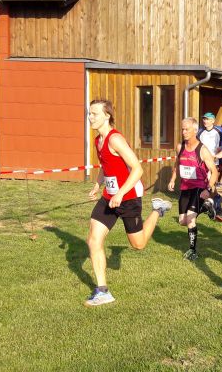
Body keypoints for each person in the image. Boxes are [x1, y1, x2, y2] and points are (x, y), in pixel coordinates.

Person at [84, 99, 172, 307]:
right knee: (93, 239)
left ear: (107, 115)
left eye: (94, 113)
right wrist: (98, 185)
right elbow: (106, 166)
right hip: (109, 197)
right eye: (89, 113)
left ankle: (158, 210)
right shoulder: (99, 140)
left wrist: (121, 194)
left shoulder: (116, 139)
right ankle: (103, 291)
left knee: (138, 244)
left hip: (129, 196)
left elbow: (137, 169)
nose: (90, 117)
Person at [168, 117, 219, 261]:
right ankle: (206, 206)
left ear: (195, 130)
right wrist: (172, 179)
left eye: (187, 129)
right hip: (185, 188)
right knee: (182, 221)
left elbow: (214, 171)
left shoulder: (202, 150)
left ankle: (192, 250)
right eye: (182, 129)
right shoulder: (180, 147)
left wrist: (208, 189)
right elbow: (177, 164)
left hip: (199, 187)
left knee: (191, 219)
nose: (183, 132)